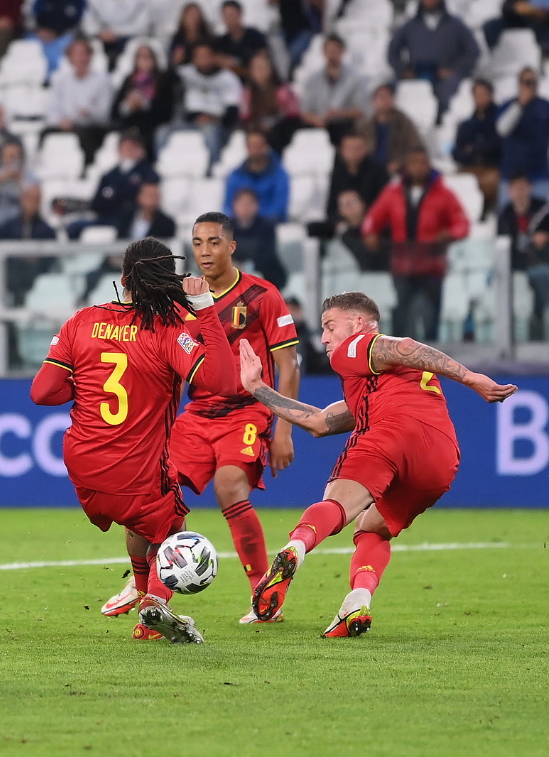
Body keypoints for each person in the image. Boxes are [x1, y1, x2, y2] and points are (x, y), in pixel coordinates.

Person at [242, 291, 517, 636]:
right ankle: (356, 601)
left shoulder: (358, 345)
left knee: (336, 504)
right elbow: (319, 422)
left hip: (391, 430)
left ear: (358, 324)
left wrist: (471, 377)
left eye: (329, 326)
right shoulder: (375, 383)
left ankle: (295, 547)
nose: (324, 337)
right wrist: (256, 387)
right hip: (440, 457)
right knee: (373, 527)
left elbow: (402, 346)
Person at [31, 235, 240, 643]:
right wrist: (205, 309)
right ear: (169, 282)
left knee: (140, 517)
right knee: (171, 522)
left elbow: (42, 392)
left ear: (124, 277)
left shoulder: (82, 320)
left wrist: (84, 387)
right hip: (136, 466)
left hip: (83, 466)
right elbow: (223, 382)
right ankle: (154, 603)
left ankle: (144, 603)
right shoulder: (167, 330)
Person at [99, 212, 298, 623]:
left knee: (229, 487)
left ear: (231, 246)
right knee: (153, 497)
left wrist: (284, 429)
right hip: (197, 412)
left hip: (247, 410)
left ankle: (263, 595)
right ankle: (145, 589)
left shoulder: (263, 295)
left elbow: (289, 364)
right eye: (197, 242)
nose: (205, 251)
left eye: (213, 242)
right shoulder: (181, 296)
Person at [362, 147, 470, 341]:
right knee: (404, 313)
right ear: (407, 166)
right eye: (414, 162)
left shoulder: (443, 194)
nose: (418, 167)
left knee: (429, 314)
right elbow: (372, 220)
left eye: (422, 163)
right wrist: (371, 234)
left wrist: (449, 233)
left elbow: (462, 224)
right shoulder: (393, 193)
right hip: (402, 264)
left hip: (432, 265)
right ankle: (403, 361)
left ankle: (431, 357)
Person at [387, 0, 479, 115]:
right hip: (417, 73)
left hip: (445, 76)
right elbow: (392, 51)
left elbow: (472, 51)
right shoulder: (410, 26)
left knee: (449, 93)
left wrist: (455, 70)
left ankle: (442, 123)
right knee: (392, 91)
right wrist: (403, 70)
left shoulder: (456, 25)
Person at [43, 36, 114, 165]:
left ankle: (88, 167)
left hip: (91, 125)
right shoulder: (60, 80)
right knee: (45, 133)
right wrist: (60, 121)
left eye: (83, 53)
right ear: (70, 58)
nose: (80, 58)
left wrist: (89, 113)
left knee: (85, 134)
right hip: (66, 124)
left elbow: (105, 113)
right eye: (76, 54)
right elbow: (52, 109)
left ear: (90, 56)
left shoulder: (103, 80)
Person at [178, 40, 243, 166]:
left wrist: (214, 119)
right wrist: (175, 62)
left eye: (207, 55)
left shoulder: (229, 78)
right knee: (162, 132)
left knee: (211, 132)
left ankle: (213, 170)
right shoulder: (184, 74)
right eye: (199, 56)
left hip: (218, 123)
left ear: (214, 57)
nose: (203, 59)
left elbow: (233, 111)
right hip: (189, 121)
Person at [298, 34, 368, 146]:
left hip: (344, 124)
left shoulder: (355, 79)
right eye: (329, 50)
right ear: (323, 52)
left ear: (342, 52)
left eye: (335, 51)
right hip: (318, 124)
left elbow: (362, 110)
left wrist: (338, 114)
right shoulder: (312, 80)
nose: (332, 55)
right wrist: (316, 120)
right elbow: (304, 110)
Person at [111, 43, 177, 155]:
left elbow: (167, 111)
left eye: (148, 56)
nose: (145, 60)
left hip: (152, 124)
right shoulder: (129, 80)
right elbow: (115, 111)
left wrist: (144, 104)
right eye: (141, 56)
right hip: (129, 123)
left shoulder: (163, 80)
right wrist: (128, 105)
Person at [497, 67, 549, 206]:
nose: (528, 86)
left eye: (531, 82)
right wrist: (520, 105)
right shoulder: (509, 105)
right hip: (511, 176)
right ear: (519, 83)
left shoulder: (545, 106)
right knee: (508, 221)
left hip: (538, 175)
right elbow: (502, 129)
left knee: (541, 222)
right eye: (525, 82)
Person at [453, 79, 501, 216]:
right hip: (469, 167)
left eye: (483, 94)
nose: (480, 99)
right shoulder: (467, 124)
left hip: (492, 168)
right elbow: (457, 152)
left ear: (491, 95)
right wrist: (478, 149)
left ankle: (484, 216)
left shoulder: (499, 120)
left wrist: (473, 149)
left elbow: (496, 145)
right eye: (477, 95)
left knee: (490, 182)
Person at [223, 129, 290, 223]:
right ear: (246, 147)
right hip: (240, 227)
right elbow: (227, 206)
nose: (255, 149)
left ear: (266, 146)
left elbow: (279, 208)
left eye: (258, 145)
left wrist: (253, 215)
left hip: (270, 226)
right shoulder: (236, 175)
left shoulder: (279, 175)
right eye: (252, 145)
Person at [240, 50, 301, 152]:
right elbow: (245, 116)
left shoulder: (282, 91)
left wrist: (271, 123)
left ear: (270, 70)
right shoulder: (248, 93)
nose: (259, 72)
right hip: (257, 127)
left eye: (262, 68)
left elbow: (291, 114)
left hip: (280, 129)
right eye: (255, 69)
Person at [356, 83, 424, 176]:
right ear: (373, 101)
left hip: (398, 171)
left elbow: (415, 146)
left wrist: (399, 163)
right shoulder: (364, 126)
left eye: (389, 96)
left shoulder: (404, 123)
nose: (385, 101)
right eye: (381, 97)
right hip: (369, 171)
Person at [326, 132, 389, 225]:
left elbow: (384, 204)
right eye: (350, 149)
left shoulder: (378, 171)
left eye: (358, 148)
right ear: (342, 150)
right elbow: (331, 207)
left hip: (371, 221)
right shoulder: (337, 173)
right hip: (342, 221)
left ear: (366, 149)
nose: (354, 153)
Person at [230, 188, 286, 289]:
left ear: (257, 205)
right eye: (242, 203)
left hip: (263, 275)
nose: (245, 208)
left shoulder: (267, 227)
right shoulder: (225, 227)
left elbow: (268, 254)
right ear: (234, 205)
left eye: (249, 204)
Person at [0, 139, 39, 229]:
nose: (13, 159)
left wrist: (20, 181)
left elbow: (34, 199)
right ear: (2, 157)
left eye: (16, 156)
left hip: (18, 222)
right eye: (10, 156)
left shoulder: (29, 175)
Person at [82, 0, 152, 68]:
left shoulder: (140, 1)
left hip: (129, 38)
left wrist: (116, 33)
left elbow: (142, 25)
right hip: (101, 38)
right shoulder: (93, 1)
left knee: (134, 54)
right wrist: (99, 32)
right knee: (94, 55)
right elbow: (88, 23)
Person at [215, 0, 269, 80]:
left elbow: (263, 63)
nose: (229, 19)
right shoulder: (221, 42)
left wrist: (236, 68)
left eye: (231, 15)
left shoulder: (255, 36)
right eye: (225, 16)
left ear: (240, 14)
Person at [168, 2, 213, 68]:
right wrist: (176, 61)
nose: (193, 19)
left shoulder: (209, 39)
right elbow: (171, 65)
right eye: (190, 15)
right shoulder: (177, 39)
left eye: (195, 15)